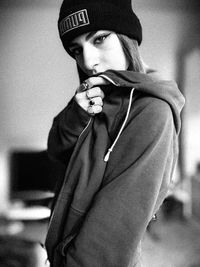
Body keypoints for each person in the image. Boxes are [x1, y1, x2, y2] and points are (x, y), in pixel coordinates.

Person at [45, 0, 185, 266]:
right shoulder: (95, 95)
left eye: (99, 39)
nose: (88, 61)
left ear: (126, 37)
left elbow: (111, 234)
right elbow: (55, 150)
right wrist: (75, 116)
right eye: (77, 50)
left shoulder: (152, 112)